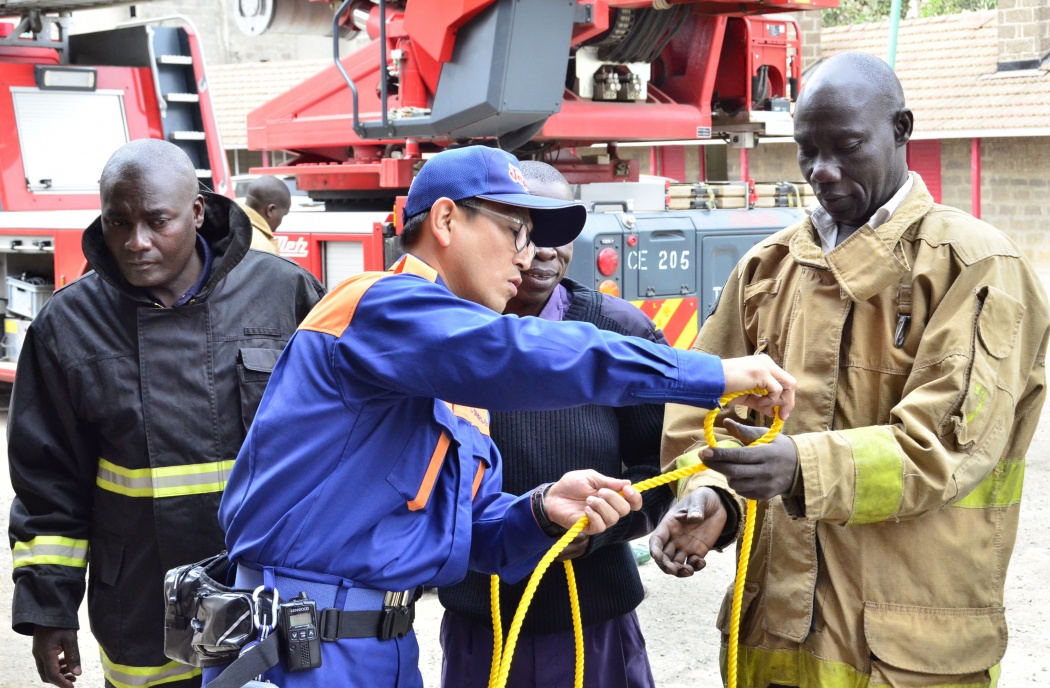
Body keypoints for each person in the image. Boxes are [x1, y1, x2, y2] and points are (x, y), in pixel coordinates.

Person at [210, 144, 796, 688]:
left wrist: (540, 512)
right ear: (445, 222)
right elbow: (524, 352)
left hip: (378, 644)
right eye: (516, 230)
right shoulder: (376, 307)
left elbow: (469, 530)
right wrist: (712, 375)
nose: (529, 255)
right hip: (298, 645)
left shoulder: (455, 379)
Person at [652, 51, 1050, 688]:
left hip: (909, 654)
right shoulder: (766, 269)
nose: (822, 171)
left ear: (902, 130)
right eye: (807, 150)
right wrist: (711, 496)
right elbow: (704, 413)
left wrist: (798, 466)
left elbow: (946, 445)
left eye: (848, 146)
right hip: (772, 639)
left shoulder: (974, 268)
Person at [7, 139, 326, 688]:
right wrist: (48, 609)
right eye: (118, 223)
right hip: (142, 612)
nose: (137, 242)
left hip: (272, 599)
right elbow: (49, 486)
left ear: (197, 211)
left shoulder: (285, 294)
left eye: (158, 221)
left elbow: (342, 444)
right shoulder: (66, 328)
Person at [438, 160, 669, 688]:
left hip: (594, 621)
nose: (544, 249)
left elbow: (660, 469)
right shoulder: (442, 339)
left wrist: (606, 526)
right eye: (525, 230)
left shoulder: (620, 333)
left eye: (560, 231)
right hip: (484, 624)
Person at [241, 175, 291, 254]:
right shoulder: (263, 249)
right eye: (283, 215)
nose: (280, 222)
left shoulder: (228, 223)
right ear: (270, 210)